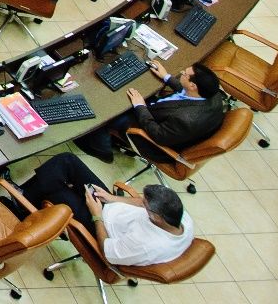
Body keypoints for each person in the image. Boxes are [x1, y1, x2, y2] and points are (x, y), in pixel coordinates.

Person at [14, 156, 193, 267]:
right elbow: (140, 202)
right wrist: (111, 198)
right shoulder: (179, 215)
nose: (142, 202)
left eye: (146, 205)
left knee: (56, 191)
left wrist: (96, 215)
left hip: (100, 227)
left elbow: (108, 253)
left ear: (156, 217)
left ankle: (19, 206)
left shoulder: (146, 245)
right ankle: (22, 196)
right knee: (67, 162)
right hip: (109, 208)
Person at [85, 63, 227, 163]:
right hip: (163, 114)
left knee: (107, 115)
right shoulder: (213, 94)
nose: (182, 73)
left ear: (192, 85)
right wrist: (166, 77)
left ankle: (102, 150)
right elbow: (188, 94)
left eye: (184, 74)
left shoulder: (186, 120)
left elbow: (158, 135)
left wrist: (140, 106)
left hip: (150, 139)